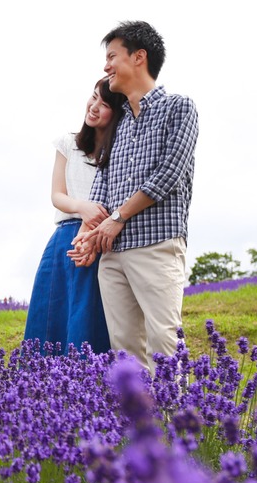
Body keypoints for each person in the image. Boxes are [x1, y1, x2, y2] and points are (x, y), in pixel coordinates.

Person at [70, 20, 198, 371]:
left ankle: (175, 424)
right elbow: (103, 184)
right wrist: (87, 236)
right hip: (112, 254)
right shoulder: (119, 123)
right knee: (125, 351)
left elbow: (169, 174)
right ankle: (139, 426)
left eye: (112, 56)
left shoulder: (179, 108)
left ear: (139, 57)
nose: (106, 66)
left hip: (156, 245)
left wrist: (117, 219)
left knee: (164, 344)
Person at [23, 77, 127, 355]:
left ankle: (87, 386)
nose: (93, 107)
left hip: (98, 238)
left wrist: (90, 222)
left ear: (116, 114)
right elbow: (57, 195)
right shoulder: (68, 143)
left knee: (87, 317)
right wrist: (82, 207)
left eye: (104, 105)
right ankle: (40, 388)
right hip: (63, 239)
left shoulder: (119, 151)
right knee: (49, 314)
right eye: (93, 97)